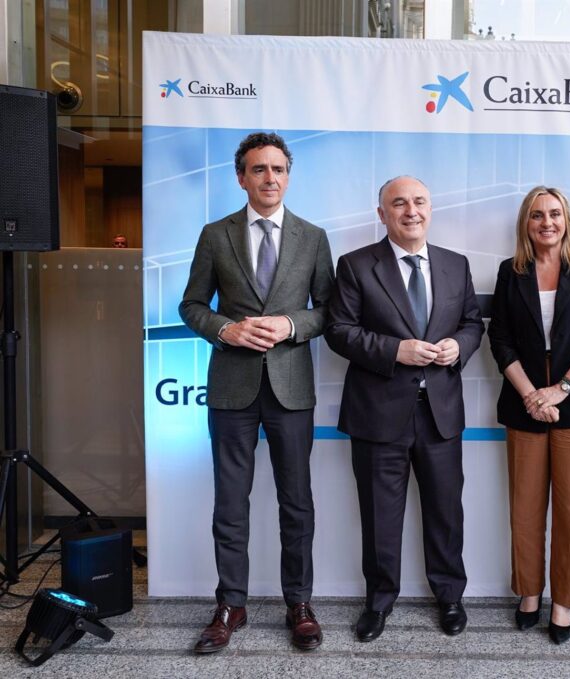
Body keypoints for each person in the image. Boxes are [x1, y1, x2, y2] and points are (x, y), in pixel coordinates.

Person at [179, 132, 334, 653]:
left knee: (297, 503)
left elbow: (329, 310)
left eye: (278, 169)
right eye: (259, 169)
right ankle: (231, 604)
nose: (270, 178)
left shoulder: (313, 236)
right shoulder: (214, 234)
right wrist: (225, 330)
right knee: (230, 503)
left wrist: (291, 325)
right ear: (241, 177)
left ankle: (300, 603)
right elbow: (192, 304)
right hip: (232, 388)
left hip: (291, 387)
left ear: (288, 176)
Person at [325, 176, 484, 642]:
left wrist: (459, 345)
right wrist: (397, 351)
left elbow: (473, 323)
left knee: (445, 511)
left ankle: (450, 596)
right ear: (382, 214)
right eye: (399, 203)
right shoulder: (355, 265)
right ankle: (378, 603)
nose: (410, 210)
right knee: (380, 515)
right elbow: (339, 330)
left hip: (440, 411)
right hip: (378, 414)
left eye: (418, 202)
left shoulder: (456, 265)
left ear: (430, 209)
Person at [487, 186, 570, 645]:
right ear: (526, 222)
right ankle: (528, 593)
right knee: (524, 510)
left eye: (555, 214)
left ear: (567, 219)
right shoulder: (512, 271)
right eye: (538, 215)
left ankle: (563, 601)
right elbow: (500, 339)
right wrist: (530, 393)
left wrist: (560, 390)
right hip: (524, 402)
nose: (547, 222)